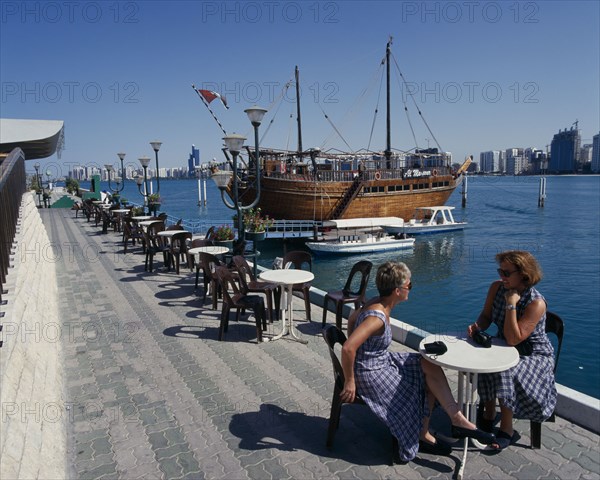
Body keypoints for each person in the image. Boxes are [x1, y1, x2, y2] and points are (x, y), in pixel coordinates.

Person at [341, 261, 495, 464]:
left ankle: (457, 420)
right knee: (420, 383)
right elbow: (348, 348)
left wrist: (363, 351)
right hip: (370, 372)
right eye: (409, 286)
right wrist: (350, 380)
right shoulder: (376, 317)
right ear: (397, 291)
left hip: (378, 361)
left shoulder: (377, 302)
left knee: (429, 364)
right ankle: (420, 435)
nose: (410, 289)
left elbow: (352, 319)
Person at [467, 250, 557, 451]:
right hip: (505, 346)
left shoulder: (536, 303)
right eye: (500, 271)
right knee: (483, 360)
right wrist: (478, 326)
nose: (502, 277)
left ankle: (507, 428)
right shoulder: (496, 288)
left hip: (533, 354)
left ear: (524, 274)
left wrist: (511, 304)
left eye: (507, 273)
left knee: (505, 369)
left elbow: (514, 338)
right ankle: (488, 413)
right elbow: (486, 316)